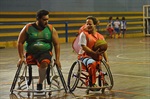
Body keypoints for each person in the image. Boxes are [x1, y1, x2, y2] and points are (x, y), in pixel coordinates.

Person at [17, 9, 61, 90]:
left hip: (45, 52)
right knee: (29, 62)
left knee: (44, 63)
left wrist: (57, 59)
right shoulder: (28, 28)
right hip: (31, 53)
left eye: (47, 19)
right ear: (38, 19)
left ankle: (40, 82)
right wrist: (21, 57)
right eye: (44, 20)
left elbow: (56, 44)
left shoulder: (51, 29)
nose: (46, 21)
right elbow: (20, 42)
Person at [77, 16, 109, 88]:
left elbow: (103, 50)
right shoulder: (84, 34)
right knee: (92, 62)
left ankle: (103, 79)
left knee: (97, 62)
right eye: (87, 24)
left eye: (90, 24)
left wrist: (107, 61)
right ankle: (92, 83)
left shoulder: (100, 37)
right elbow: (83, 47)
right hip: (84, 56)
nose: (88, 26)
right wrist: (94, 53)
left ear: (95, 25)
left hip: (96, 57)